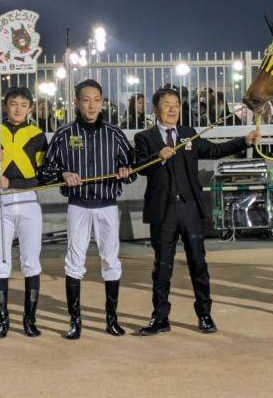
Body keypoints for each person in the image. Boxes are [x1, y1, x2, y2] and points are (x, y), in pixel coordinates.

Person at [134, 87, 259, 335]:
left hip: (190, 209)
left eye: (176, 105)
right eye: (167, 104)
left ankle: (205, 315)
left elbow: (213, 150)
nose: (172, 109)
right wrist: (158, 156)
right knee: (162, 266)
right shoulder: (144, 137)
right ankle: (160, 318)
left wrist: (243, 141)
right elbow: (139, 166)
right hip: (163, 212)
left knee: (198, 264)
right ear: (155, 109)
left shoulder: (188, 134)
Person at [40, 79, 136, 340]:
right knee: (74, 260)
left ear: (103, 101)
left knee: (110, 259)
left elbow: (131, 170)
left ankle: (111, 319)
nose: (91, 105)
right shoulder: (64, 134)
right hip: (78, 206)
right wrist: (63, 173)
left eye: (96, 99)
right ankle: (75, 321)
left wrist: (125, 172)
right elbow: (46, 172)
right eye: (86, 99)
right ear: (76, 103)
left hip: (107, 205)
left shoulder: (115, 134)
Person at [0, 86, 48, 338]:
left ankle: (29, 320)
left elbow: (44, 176)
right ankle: (2, 320)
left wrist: (15, 184)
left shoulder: (38, 135)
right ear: (4, 106)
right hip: (1, 202)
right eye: (13, 104)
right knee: (2, 261)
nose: (18, 109)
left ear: (30, 108)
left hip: (29, 201)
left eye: (23, 104)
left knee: (31, 261)